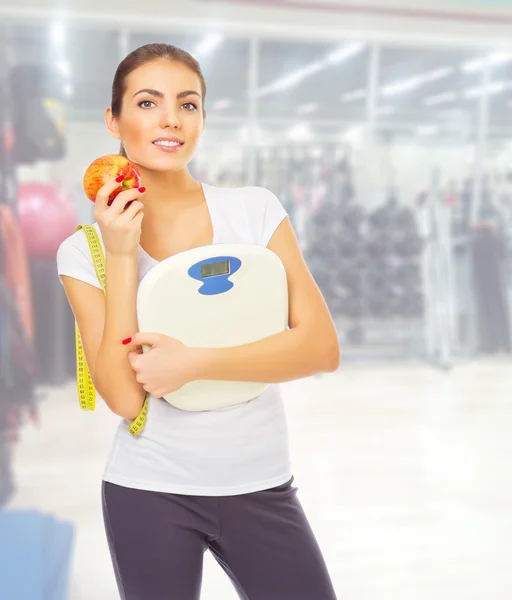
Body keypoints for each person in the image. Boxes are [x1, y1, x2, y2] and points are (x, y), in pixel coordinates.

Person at [56, 43, 340, 600]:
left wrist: (195, 364)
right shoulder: (82, 251)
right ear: (114, 120)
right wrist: (120, 255)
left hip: (262, 484)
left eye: (188, 104)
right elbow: (123, 397)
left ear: (203, 118)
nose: (170, 119)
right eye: (146, 102)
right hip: (150, 491)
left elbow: (321, 348)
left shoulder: (254, 211)